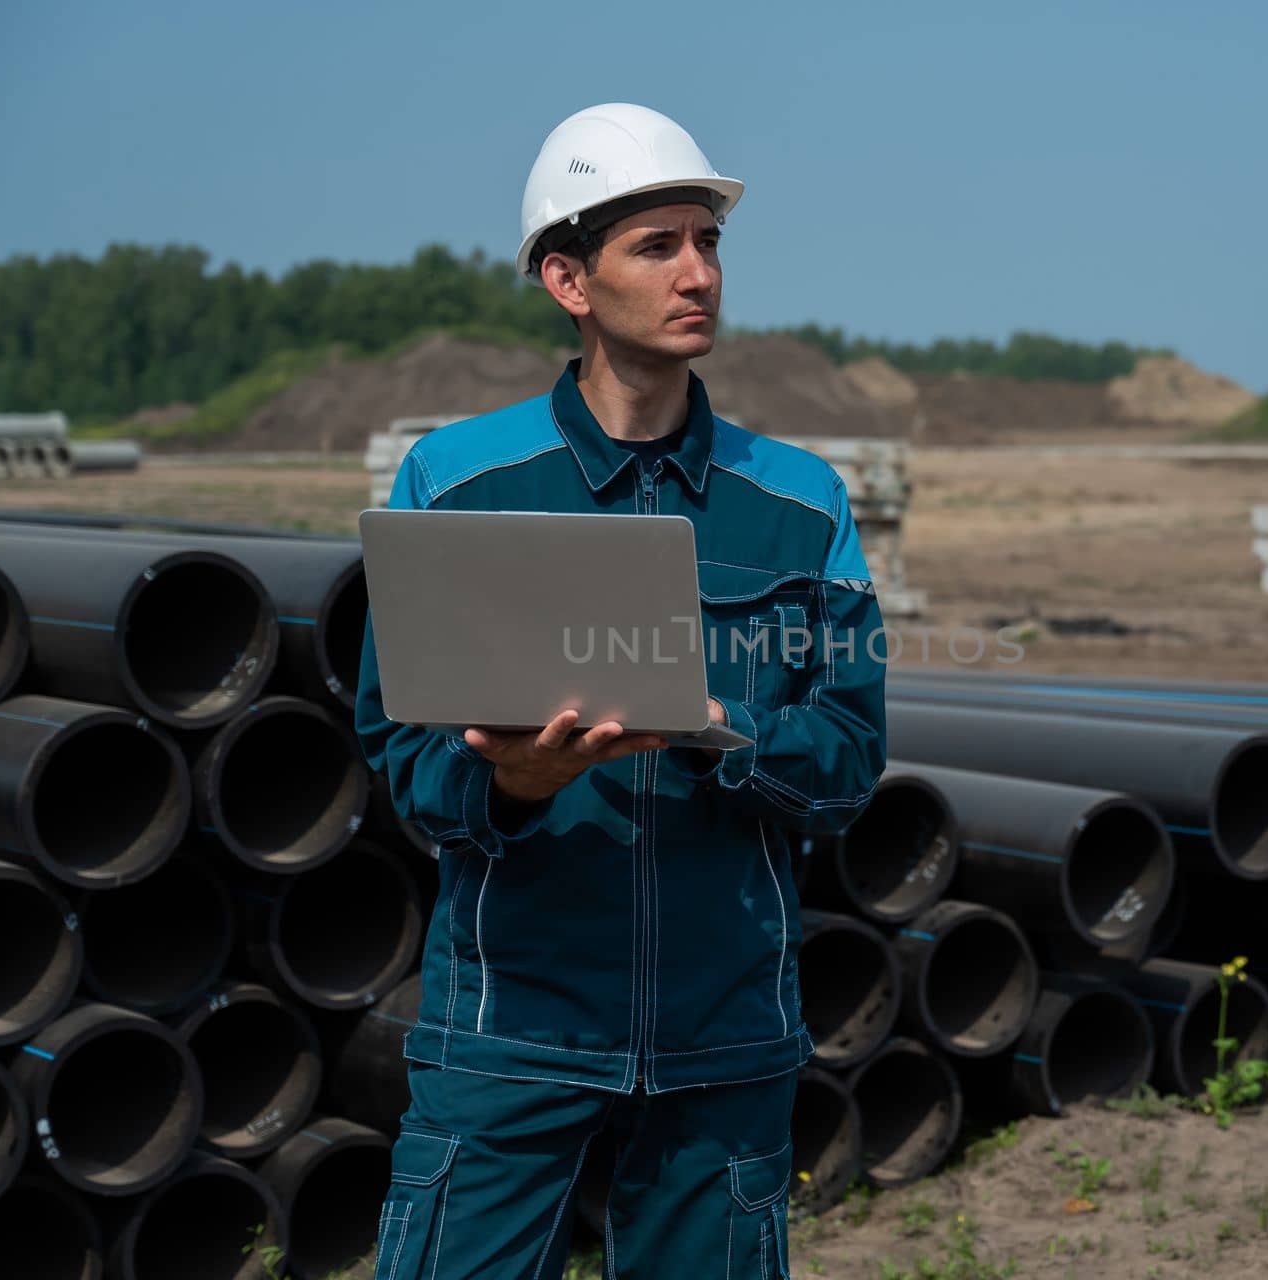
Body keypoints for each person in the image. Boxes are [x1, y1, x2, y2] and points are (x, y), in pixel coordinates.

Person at [356, 102, 887, 1279]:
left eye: (708, 242)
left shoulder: (798, 502)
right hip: (513, 1024)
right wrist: (512, 783)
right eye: (659, 246)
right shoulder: (458, 480)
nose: (699, 273)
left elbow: (849, 750)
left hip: (723, 1028)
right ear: (568, 278)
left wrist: (720, 730)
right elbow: (398, 752)